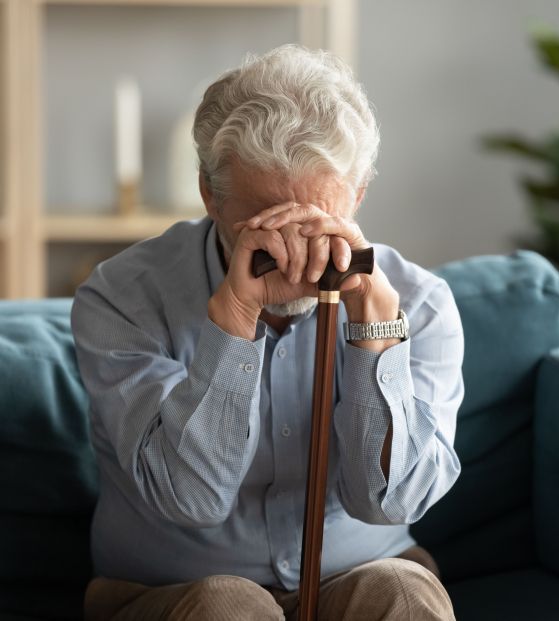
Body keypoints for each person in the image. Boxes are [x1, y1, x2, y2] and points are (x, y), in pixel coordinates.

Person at [73, 44, 465, 620]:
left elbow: (392, 503)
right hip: (177, 591)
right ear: (210, 194)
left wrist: (375, 332)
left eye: (317, 220)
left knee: (402, 594)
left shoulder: (422, 304)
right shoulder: (122, 298)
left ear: (357, 194)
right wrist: (234, 318)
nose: (294, 255)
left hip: (357, 575)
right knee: (226, 607)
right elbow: (191, 499)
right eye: (264, 227)